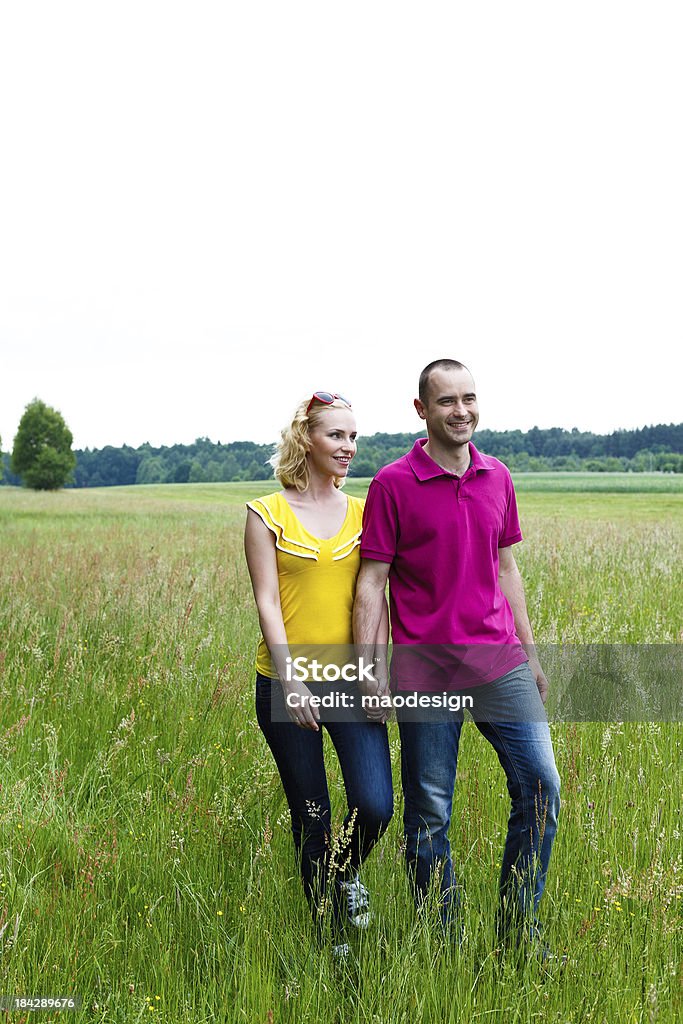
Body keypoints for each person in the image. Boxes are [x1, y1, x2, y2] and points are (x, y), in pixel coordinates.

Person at [353, 359, 561, 954]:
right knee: (430, 814)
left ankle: (518, 934)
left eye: (469, 397)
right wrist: (371, 673)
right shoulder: (393, 483)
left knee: (541, 790)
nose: (461, 410)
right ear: (421, 410)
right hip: (426, 675)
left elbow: (506, 567)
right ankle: (441, 939)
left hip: (500, 663)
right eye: (447, 401)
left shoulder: (498, 476)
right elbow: (372, 582)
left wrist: (531, 652)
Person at [244, 391, 393, 952]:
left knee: (375, 804)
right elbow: (267, 605)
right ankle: (331, 935)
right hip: (287, 682)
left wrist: (375, 672)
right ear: (307, 438)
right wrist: (290, 680)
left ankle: (343, 874)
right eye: (337, 435)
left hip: (353, 681)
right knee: (312, 814)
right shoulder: (266, 514)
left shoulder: (365, 511)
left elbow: (377, 596)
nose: (349, 447)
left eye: (354, 437)